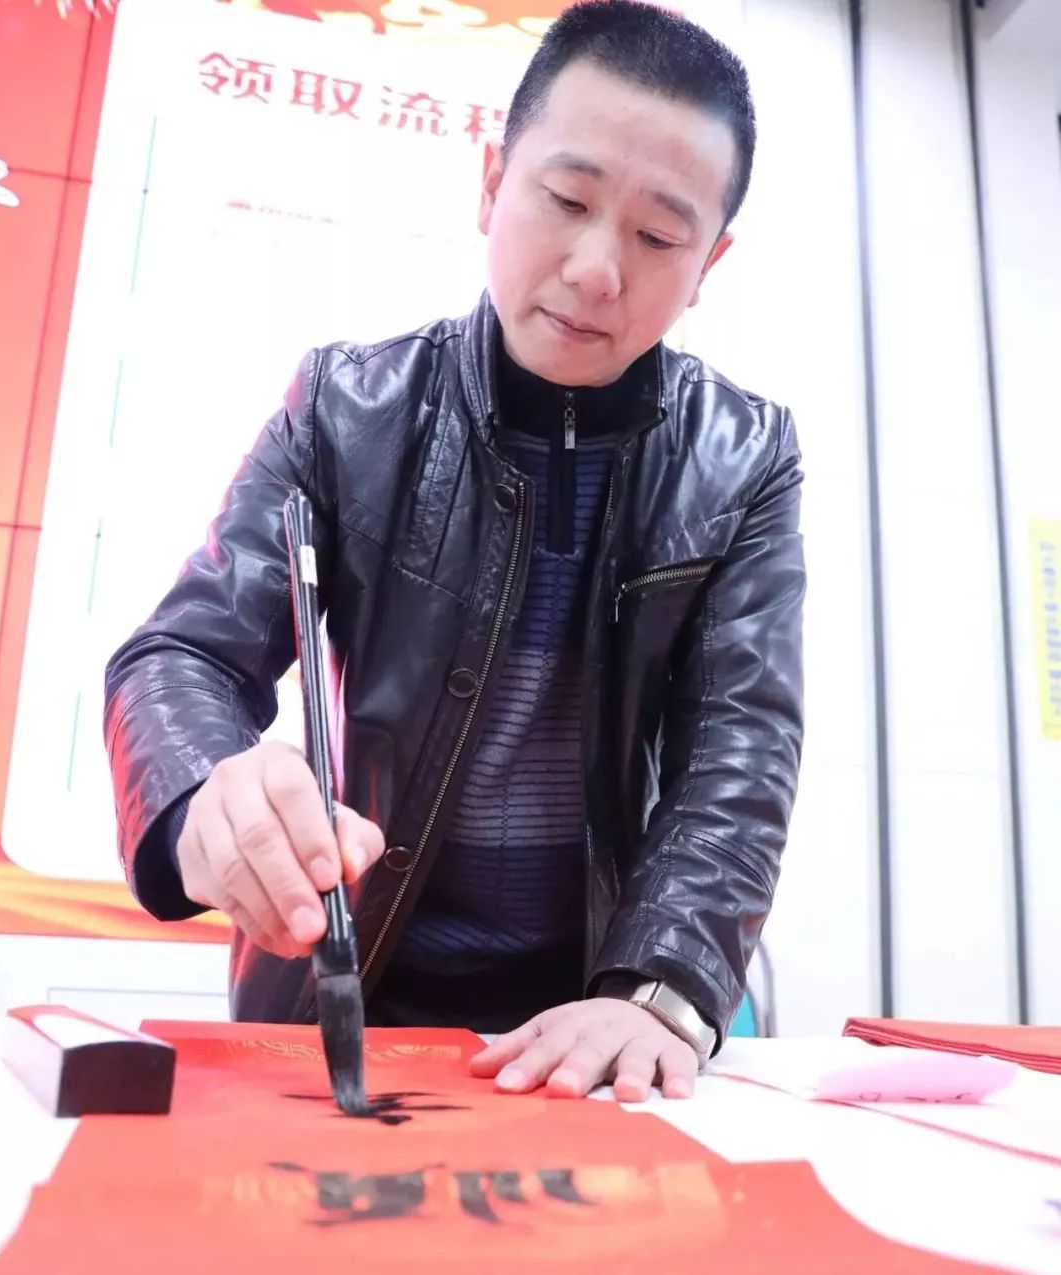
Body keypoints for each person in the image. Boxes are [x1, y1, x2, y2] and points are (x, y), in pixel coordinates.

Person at [104, 0, 804, 1105]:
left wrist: (660, 987)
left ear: (709, 260)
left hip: (598, 1012)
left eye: (659, 238)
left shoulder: (743, 455)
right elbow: (182, 654)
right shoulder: (346, 407)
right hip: (351, 996)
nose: (596, 269)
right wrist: (201, 795)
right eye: (566, 200)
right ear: (491, 182)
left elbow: (740, 748)